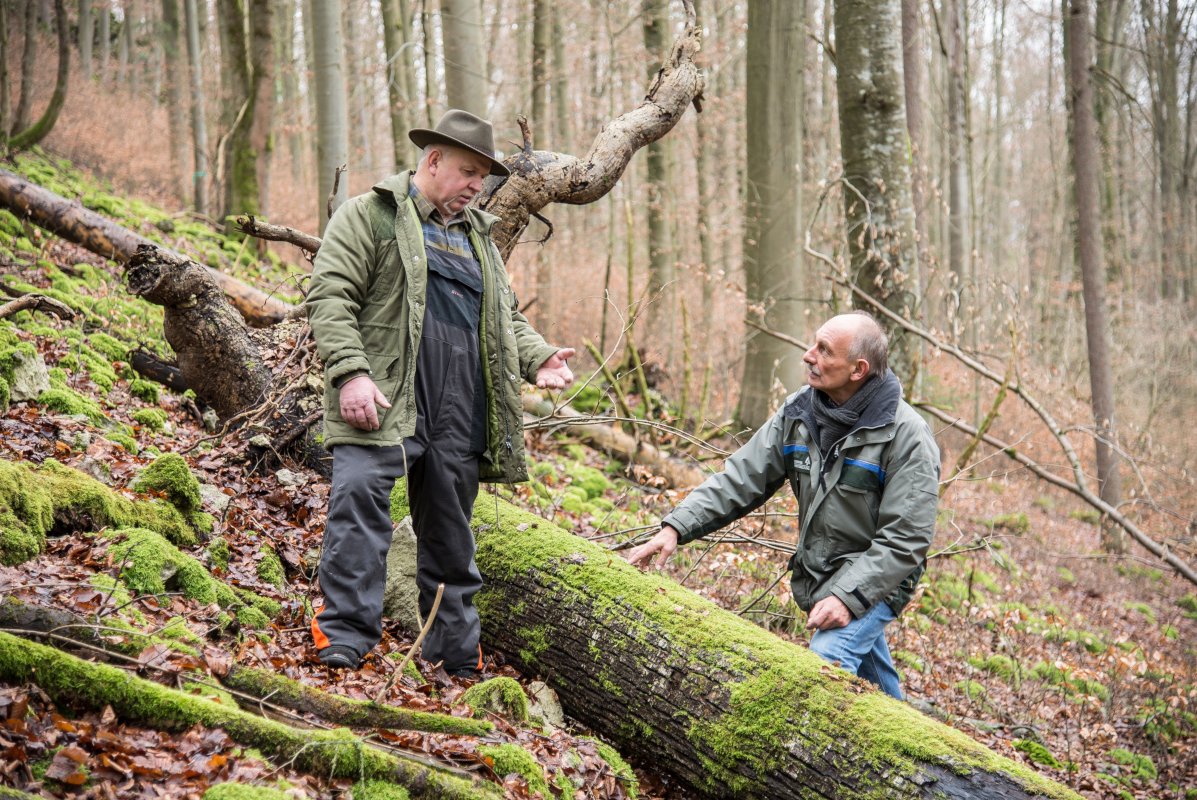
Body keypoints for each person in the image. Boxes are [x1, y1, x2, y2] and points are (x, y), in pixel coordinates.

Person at [307, 109, 575, 674]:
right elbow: (330, 297)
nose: (478, 187)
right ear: (433, 161)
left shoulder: (480, 240)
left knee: (452, 532)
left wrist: (539, 357)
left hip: (461, 408)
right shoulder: (371, 216)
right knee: (358, 502)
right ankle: (345, 636)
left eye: (484, 177)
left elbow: (504, 319)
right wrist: (351, 373)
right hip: (385, 394)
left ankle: (454, 653)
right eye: (469, 172)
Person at [627, 311, 938, 699]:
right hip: (822, 573)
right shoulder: (800, 412)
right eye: (814, 344)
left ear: (858, 369)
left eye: (824, 350)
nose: (809, 355)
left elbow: (905, 540)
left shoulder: (906, 436)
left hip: (877, 580)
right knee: (882, 696)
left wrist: (847, 597)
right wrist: (675, 527)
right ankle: (911, 753)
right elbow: (741, 477)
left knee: (826, 667)